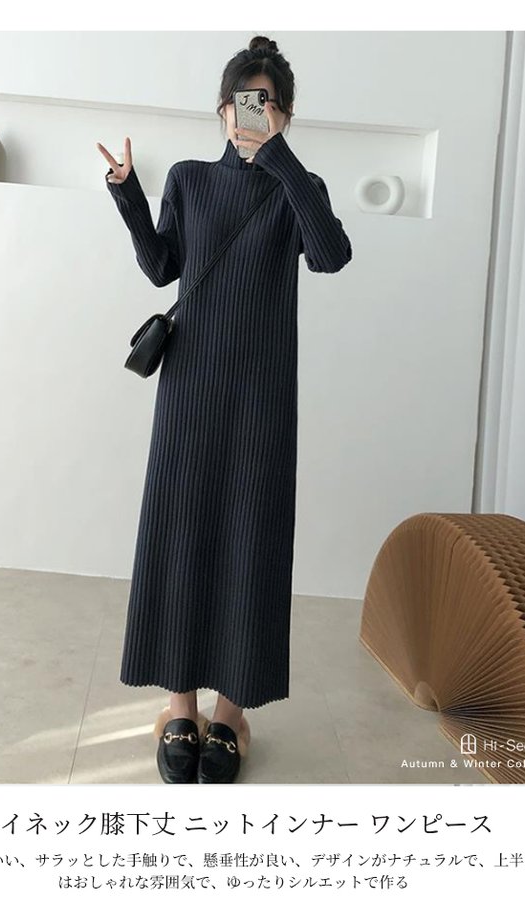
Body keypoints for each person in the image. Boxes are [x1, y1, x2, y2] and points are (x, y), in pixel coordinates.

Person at [96, 35, 352, 784]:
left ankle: (232, 711)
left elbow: (331, 255)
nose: (253, 114)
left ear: (286, 115)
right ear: (221, 110)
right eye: (244, 102)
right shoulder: (190, 179)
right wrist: (127, 192)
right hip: (191, 387)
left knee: (252, 539)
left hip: (264, 394)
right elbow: (161, 267)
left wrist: (282, 162)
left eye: (267, 105)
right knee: (181, 530)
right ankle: (180, 703)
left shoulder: (299, 186)